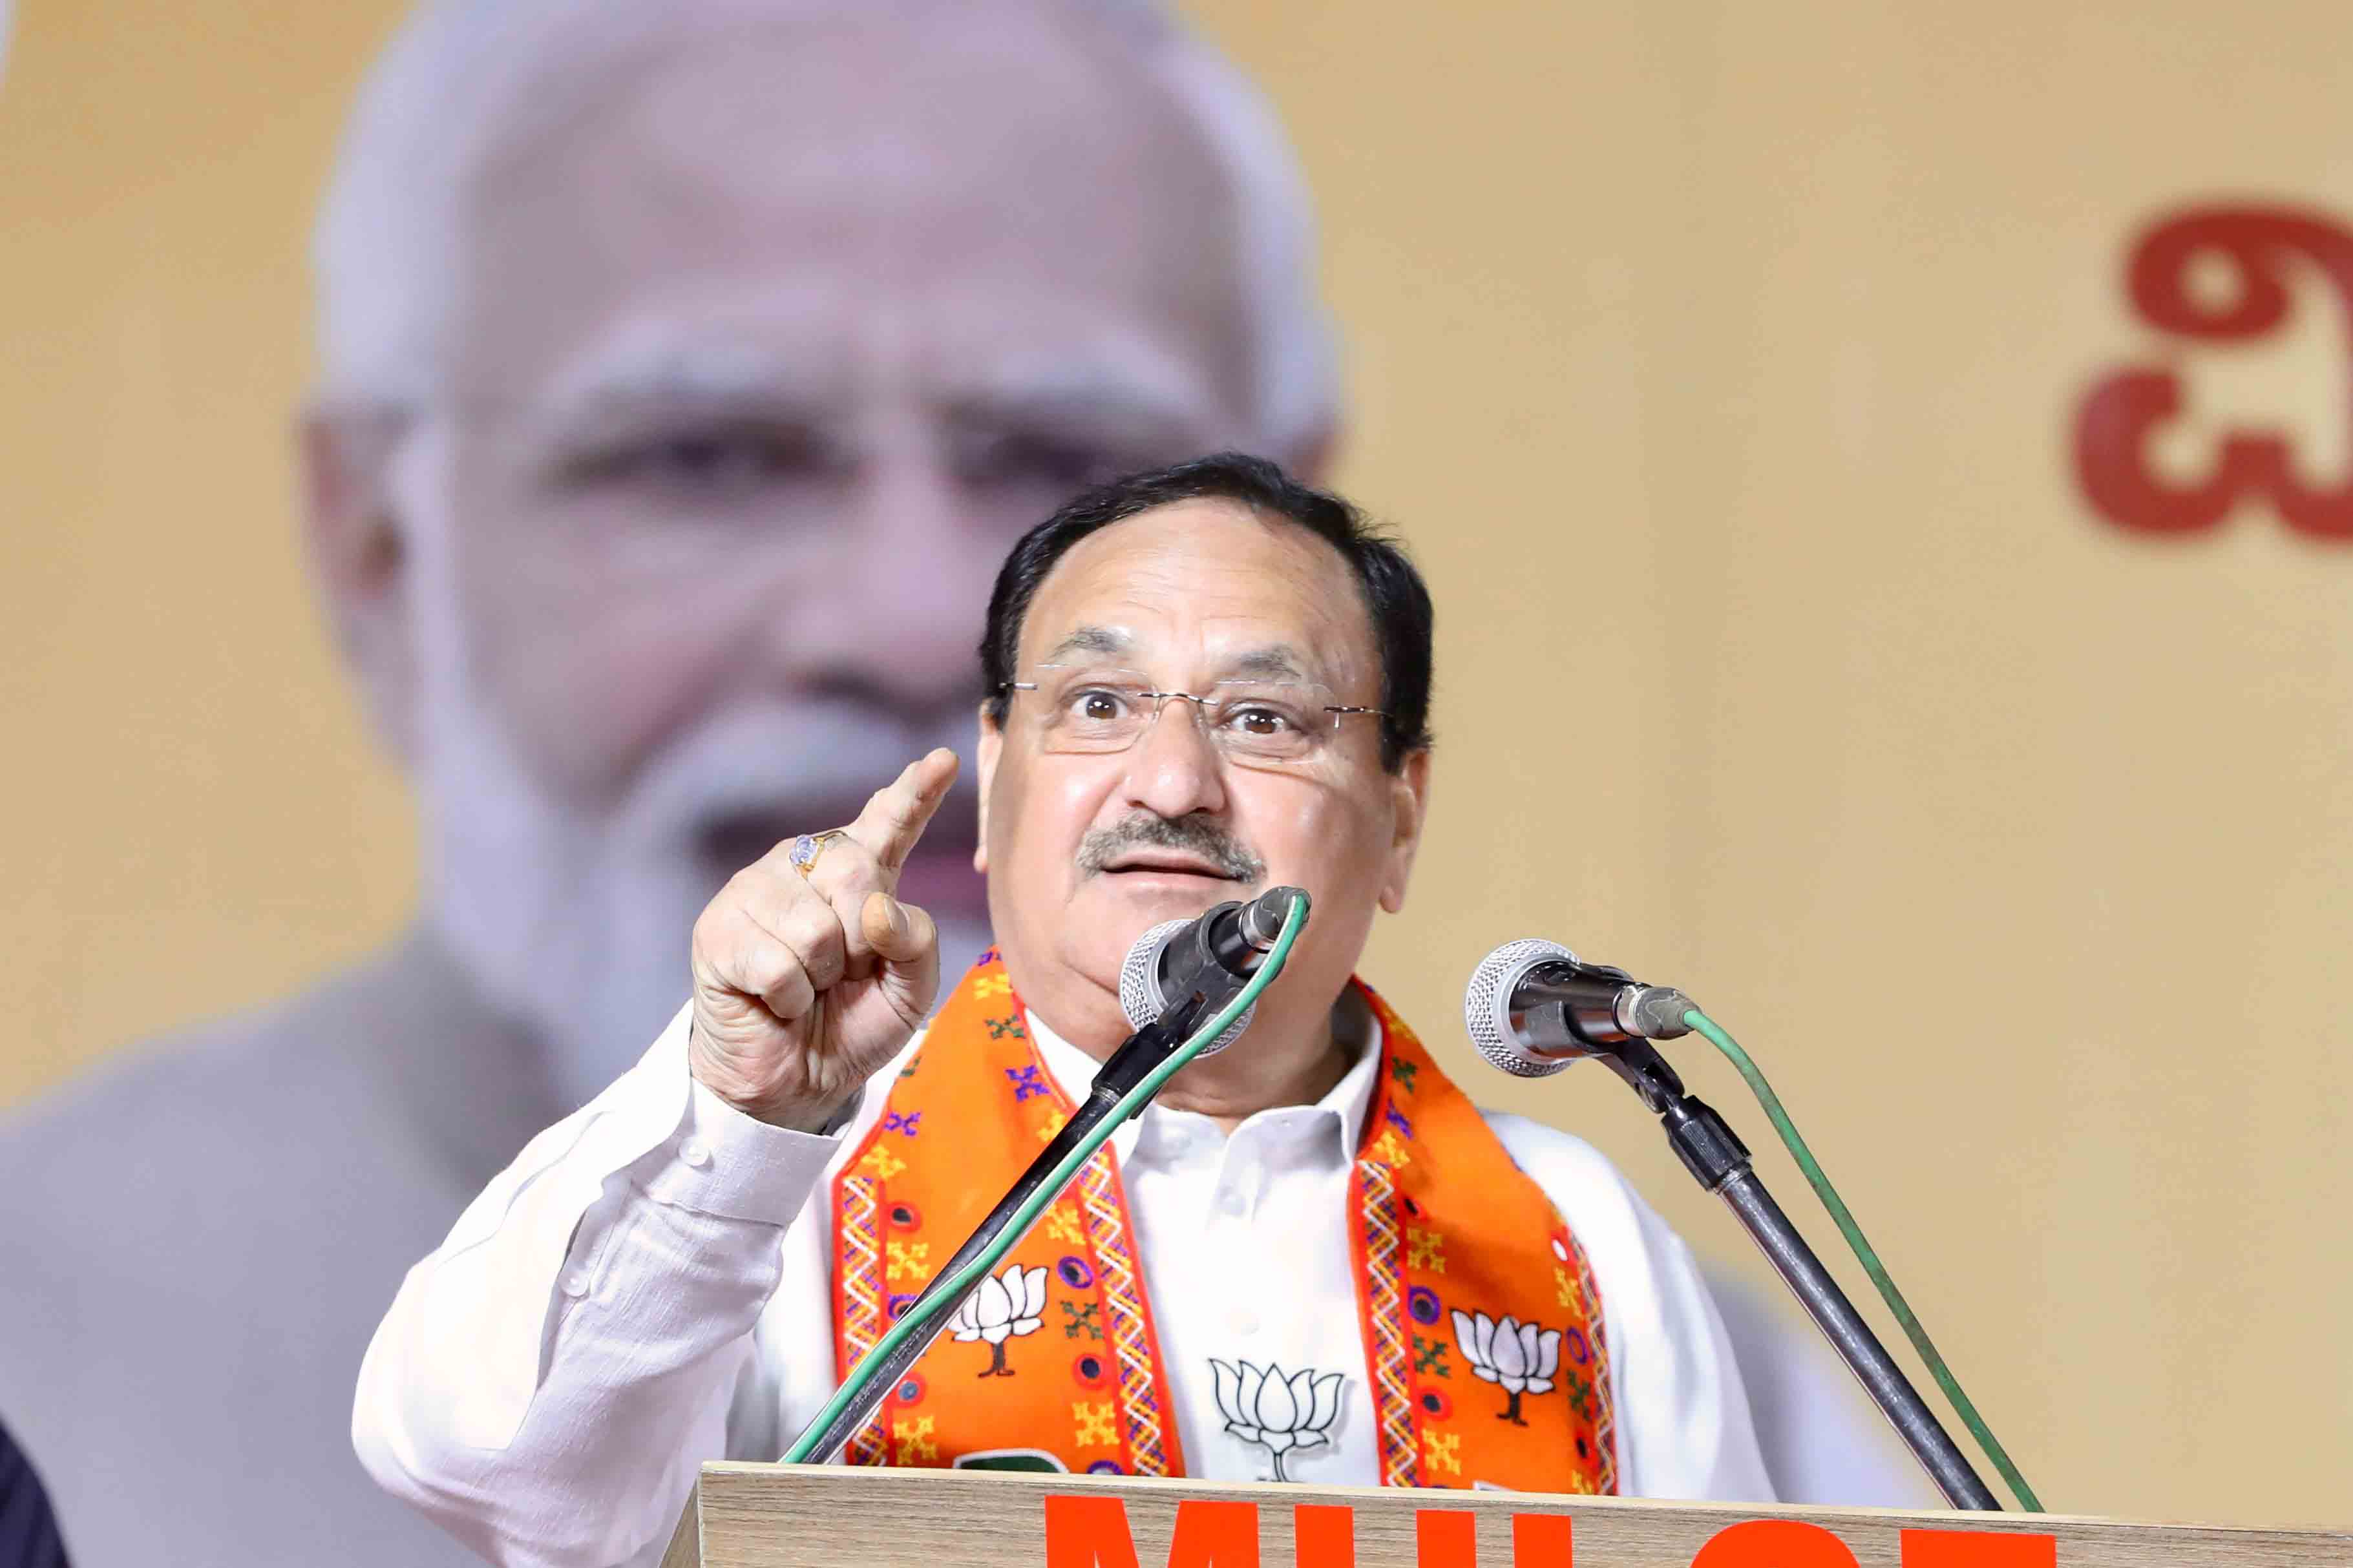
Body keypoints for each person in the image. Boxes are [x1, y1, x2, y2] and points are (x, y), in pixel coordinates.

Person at [0, 5, 1335, 1565]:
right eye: (708, 456)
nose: (915, 617)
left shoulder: (1576, 1322)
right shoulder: (43, 1315)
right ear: (379, 552)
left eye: (1070, 466)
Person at [357, 455, 1778, 1567]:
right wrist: (738, 1117)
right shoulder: (778, 1166)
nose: (1170, 781)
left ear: (1400, 816)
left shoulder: (1575, 1238)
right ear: (996, 776)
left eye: (1264, 718)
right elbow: (506, 1480)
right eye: (1097, 703)